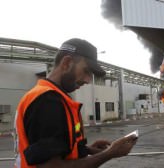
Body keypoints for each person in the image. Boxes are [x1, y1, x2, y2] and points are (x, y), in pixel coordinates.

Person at [14, 38, 137, 168]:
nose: (88, 80)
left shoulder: (50, 97)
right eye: (86, 71)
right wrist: (109, 154)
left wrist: (86, 149)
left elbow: (54, 149)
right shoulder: (48, 101)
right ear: (66, 63)